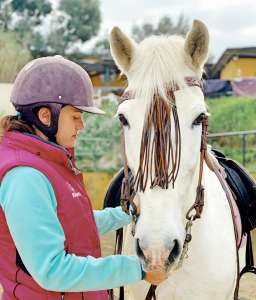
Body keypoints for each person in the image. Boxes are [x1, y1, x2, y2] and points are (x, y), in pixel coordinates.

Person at [0, 56, 167, 300]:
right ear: (46, 116)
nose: (82, 126)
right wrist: (138, 269)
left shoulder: (48, 162)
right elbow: (53, 271)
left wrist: (127, 212)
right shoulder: (25, 177)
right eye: (76, 116)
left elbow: (74, 226)